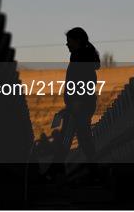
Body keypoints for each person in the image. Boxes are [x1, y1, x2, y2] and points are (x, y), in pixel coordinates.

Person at [44, 27, 101, 182]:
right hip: (81, 104)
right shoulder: (83, 56)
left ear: (77, 41)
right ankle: (95, 173)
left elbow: (84, 81)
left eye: (69, 41)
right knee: (84, 139)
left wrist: (76, 102)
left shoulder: (80, 57)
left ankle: (54, 171)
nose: (66, 44)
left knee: (66, 137)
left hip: (79, 105)